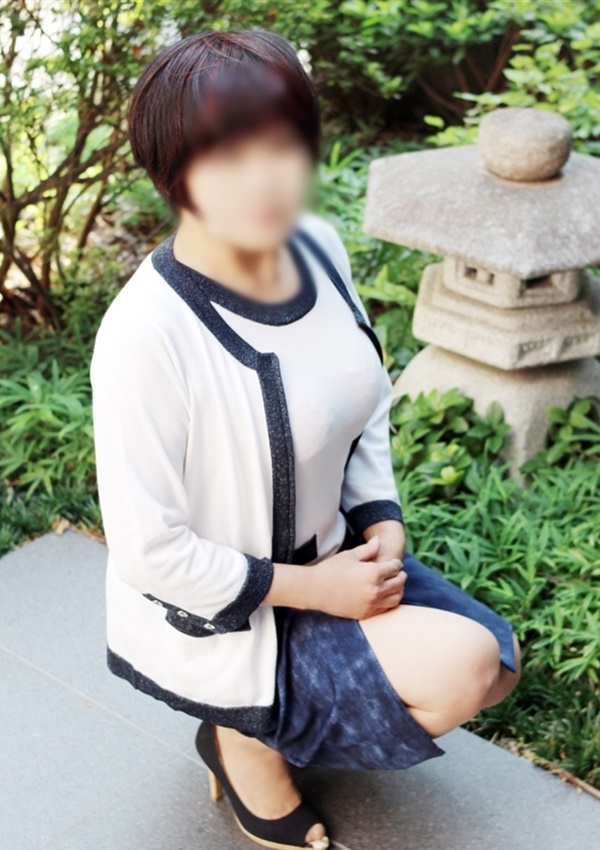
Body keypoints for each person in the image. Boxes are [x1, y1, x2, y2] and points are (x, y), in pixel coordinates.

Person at [89, 27, 521, 850]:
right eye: (231, 156)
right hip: (233, 615)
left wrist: (379, 512)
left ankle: (273, 717)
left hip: (335, 559)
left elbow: (362, 396)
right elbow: (149, 553)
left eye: (284, 145)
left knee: (496, 666)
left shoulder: (315, 246)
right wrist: (315, 591)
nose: (268, 178)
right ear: (174, 171)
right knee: (460, 670)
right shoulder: (146, 335)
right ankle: (239, 739)